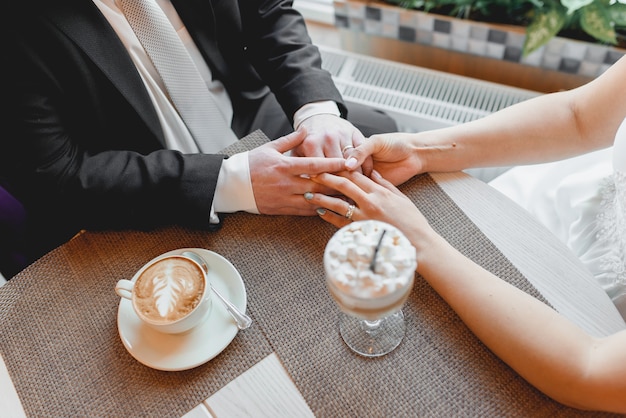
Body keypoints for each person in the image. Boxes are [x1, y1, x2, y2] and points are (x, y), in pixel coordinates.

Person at [303, 55, 626, 412]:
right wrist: (420, 151)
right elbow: (579, 116)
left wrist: (418, 241)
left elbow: (587, 370)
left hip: (595, 324)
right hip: (551, 206)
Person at [0, 0, 397, 278]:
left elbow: (268, 13)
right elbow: (58, 175)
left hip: (248, 112)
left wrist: (318, 111)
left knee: (382, 143)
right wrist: (231, 182)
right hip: (145, 182)